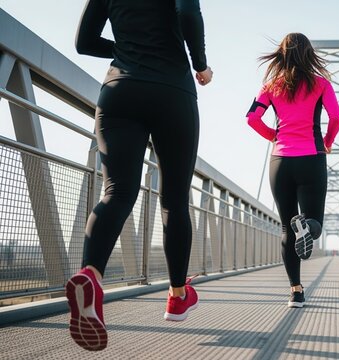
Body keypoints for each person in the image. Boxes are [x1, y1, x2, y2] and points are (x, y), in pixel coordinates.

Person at [68, 0, 212, 351]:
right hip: (172, 91)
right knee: (175, 200)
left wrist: (124, 48)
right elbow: (189, 13)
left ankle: (91, 275)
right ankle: (178, 295)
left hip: (120, 91)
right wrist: (201, 65)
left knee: (116, 192)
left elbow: (84, 43)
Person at [246, 33, 339, 308]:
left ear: (282, 55)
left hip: (280, 162)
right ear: (309, 54)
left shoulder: (270, 86)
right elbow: (335, 117)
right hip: (311, 157)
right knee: (314, 224)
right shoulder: (322, 84)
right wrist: (327, 142)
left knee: (287, 229)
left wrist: (273, 136)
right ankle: (306, 225)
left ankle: (296, 291)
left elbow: (252, 117)